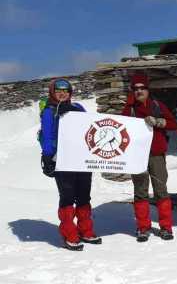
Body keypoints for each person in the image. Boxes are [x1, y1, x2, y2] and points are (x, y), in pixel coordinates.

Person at [39, 78, 101, 251]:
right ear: (52, 92)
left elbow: (90, 128)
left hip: (81, 159)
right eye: (58, 90)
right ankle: (69, 235)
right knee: (67, 197)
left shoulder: (79, 108)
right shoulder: (49, 111)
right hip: (62, 160)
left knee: (83, 196)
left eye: (66, 90)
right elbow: (47, 135)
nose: (62, 93)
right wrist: (48, 157)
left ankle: (86, 231)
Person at [121, 74, 177, 242]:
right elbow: (121, 126)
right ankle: (143, 227)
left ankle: (166, 227)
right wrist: (129, 104)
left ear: (147, 89)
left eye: (142, 88)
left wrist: (159, 122)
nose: (139, 91)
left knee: (161, 190)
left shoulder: (157, 106)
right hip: (137, 156)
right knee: (140, 192)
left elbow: (174, 124)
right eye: (135, 89)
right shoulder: (129, 109)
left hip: (156, 154)